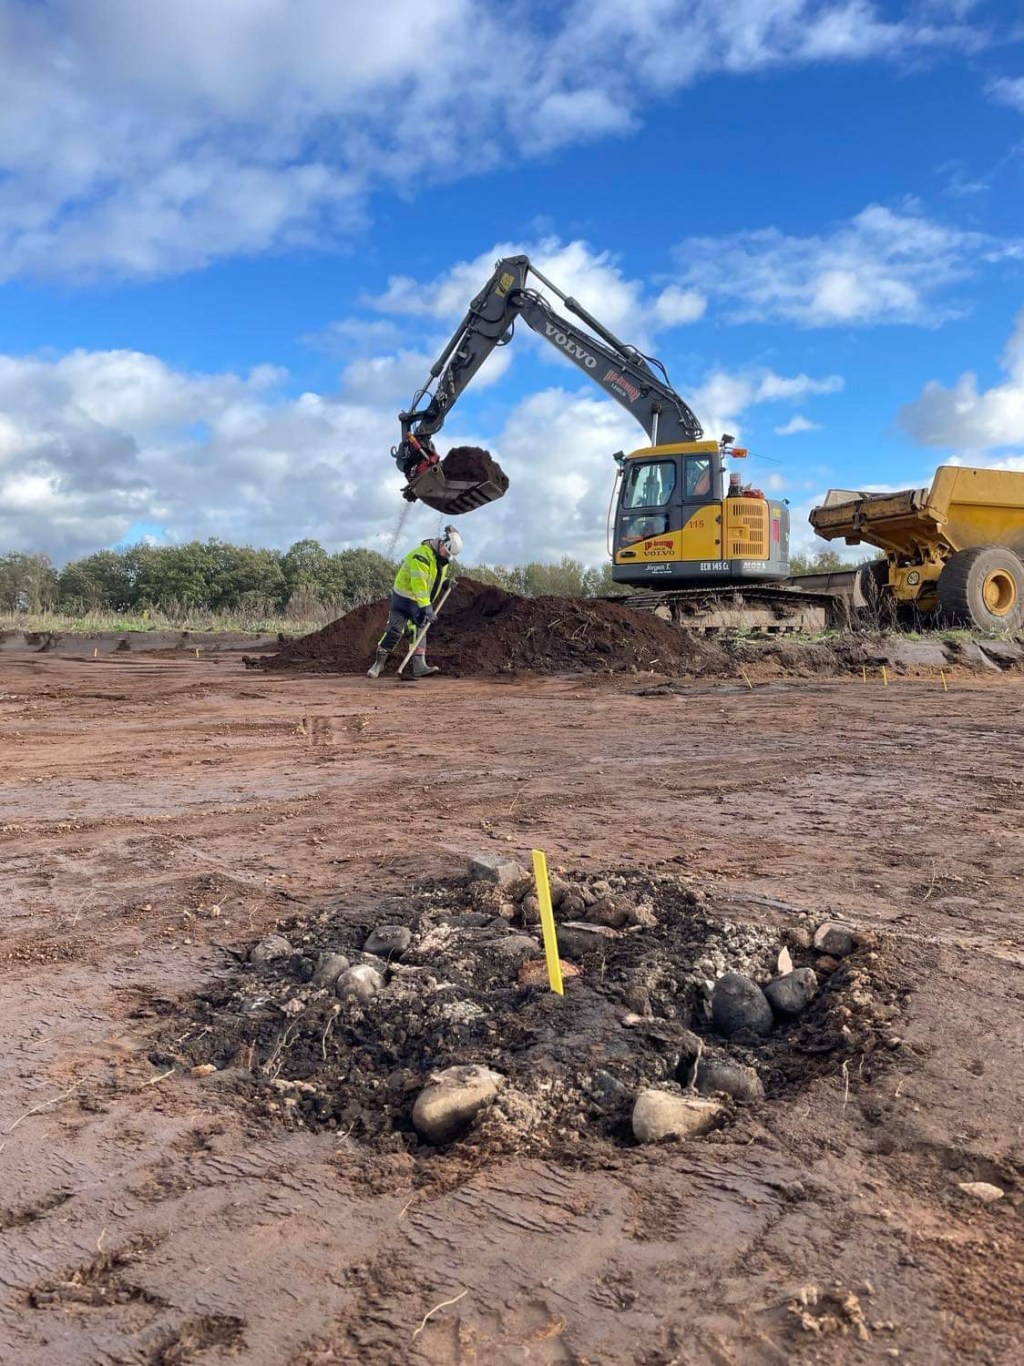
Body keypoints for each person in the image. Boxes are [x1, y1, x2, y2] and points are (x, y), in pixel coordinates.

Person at [367, 524, 463, 678]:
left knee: (420, 630)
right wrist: (427, 608)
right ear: (441, 543)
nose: (447, 556)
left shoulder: (441, 558)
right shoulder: (420, 556)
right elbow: (419, 585)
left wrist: (445, 582)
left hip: (419, 602)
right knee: (394, 631)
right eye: (447, 551)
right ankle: (378, 664)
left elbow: (432, 577)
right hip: (404, 600)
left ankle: (419, 666)